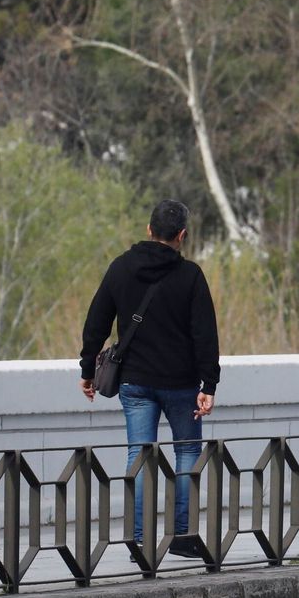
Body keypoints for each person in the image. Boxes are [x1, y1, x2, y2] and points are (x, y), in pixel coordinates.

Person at [80, 199, 220, 556]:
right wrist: (209, 384)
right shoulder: (190, 276)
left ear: (148, 230)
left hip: (135, 382)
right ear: (182, 235)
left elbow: (96, 322)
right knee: (187, 452)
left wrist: (87, 371)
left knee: (139, 455)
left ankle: (138, 539)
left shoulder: (121, 268)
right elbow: (205, 335)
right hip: (182, 384)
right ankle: (183, 537)